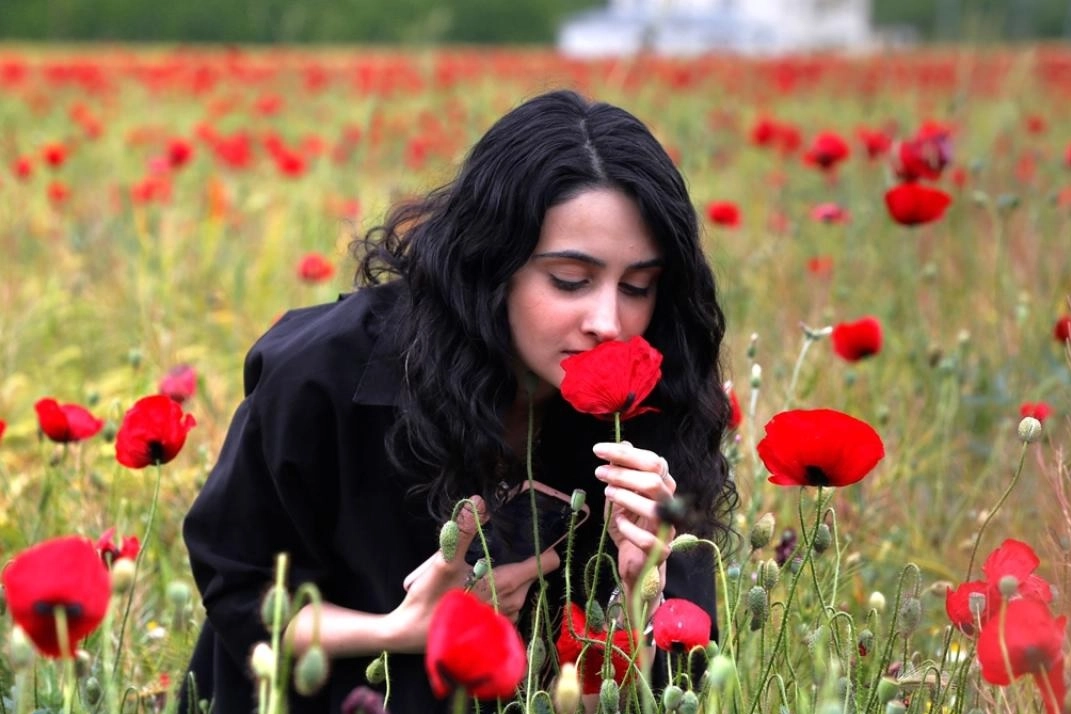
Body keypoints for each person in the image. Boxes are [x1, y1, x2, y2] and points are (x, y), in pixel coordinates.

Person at [181, 88, 737, 713]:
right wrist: (404, 627)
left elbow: (671, 680)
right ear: (490, 264)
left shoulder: (655, 405)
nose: (607, 321)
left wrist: (644, 593)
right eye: (570, 281)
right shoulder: (326, 373)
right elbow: (240, 594)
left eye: (638, 286)